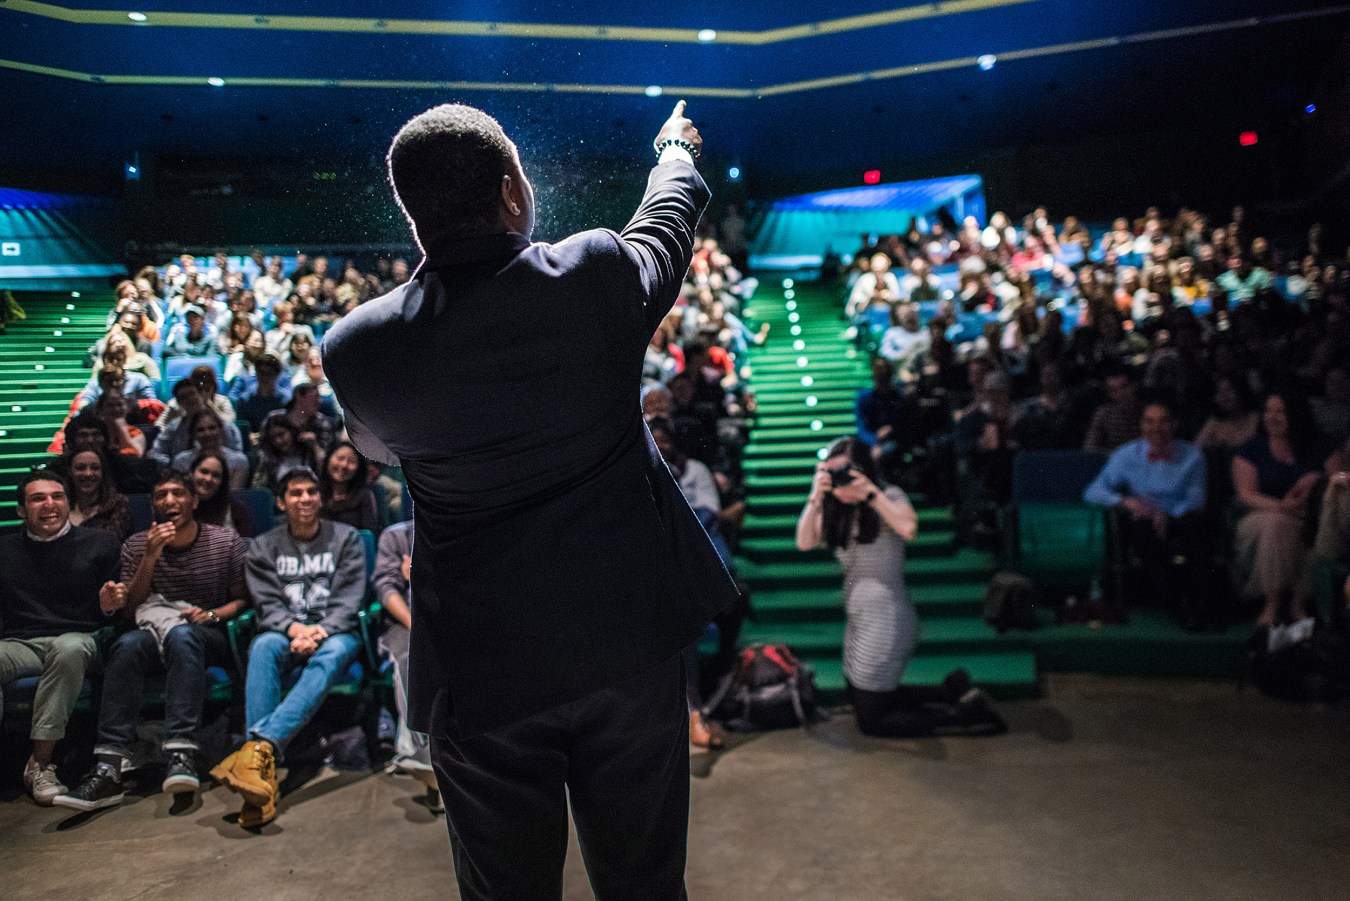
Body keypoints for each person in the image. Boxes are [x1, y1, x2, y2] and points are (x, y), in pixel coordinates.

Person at [321, 101, 737, 899]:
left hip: (480, 674)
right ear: (512, 189)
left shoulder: (359, 346)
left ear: (414, 218)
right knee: (644, 883)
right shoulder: (590, 274)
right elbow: (667, 222)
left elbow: (377, 450)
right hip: (626, 648)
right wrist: (675, 150)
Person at [53, 472, 250, 812]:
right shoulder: (136, 544)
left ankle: (181, 753)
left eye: (177, 493)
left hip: (204, 632)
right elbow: (131, 608)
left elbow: (243, 599)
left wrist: (215, 614)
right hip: (151, 629)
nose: (170, 501)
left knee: (183, 635)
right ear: (153, 504)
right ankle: (108, 766)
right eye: (161, 495)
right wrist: (150, 555)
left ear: (193, 501)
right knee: (127, 645)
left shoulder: (225, 541)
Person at [794, 438, 1004, 738]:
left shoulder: (887, 495)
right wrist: (816, 496)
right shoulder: (835, 509)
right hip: (860, 620)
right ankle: (945, 692)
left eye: (847, 470)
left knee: (872, 721)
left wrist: (870, 494)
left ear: (864, 469)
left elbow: (908, 528)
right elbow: (804, 542)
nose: (842, 479)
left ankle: (963, 715)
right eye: (834, 471)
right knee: (864, 699)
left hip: (886, 619)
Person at [210, 467, 365, 827]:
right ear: (281, 502)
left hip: (334, 632)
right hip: (285, 630)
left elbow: (349, 599)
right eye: (296, 493)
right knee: (263, 645)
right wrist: (296, 628)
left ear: (321, 498)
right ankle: (264, 771)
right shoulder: (263, 546)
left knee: (335, 653)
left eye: (312, 491)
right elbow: (266, 603)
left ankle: (257, 753)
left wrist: (319, 631)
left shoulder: (347, 539)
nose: (305, 499)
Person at [0, 471, 124, 805]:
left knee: (67, 648)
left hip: (82, 639)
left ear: (69, 503)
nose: (49, 505)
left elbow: (117, 611)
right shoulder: (5, 549)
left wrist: (109, 607)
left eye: (57, 497)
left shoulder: (101, 542)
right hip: (21, 644)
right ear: (21, 511)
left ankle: (40, 764)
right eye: (38, 498)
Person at [1084, 402, 1213, 628]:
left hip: (1180, 516)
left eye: (1163, 421)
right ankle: (1176, 603)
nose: (1156, 428)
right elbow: (1093, 491)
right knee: (1141, 529)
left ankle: (1201, 601)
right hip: (1143, 518)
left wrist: (1166, 514)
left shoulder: (1193, 456)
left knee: (1197, 524)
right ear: (1142, 425)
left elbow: (1196, 500)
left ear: (1174, 425)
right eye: (1149, 421)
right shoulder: (1126, 454)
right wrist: (1126, 501)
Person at [1232, 392, 1338, 626]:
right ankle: (1274, 603)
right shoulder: (1251, 449)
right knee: (1277, 525)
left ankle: (1297, 603)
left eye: (1279, 411)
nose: (1272, 417)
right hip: (1261, 515)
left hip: (1309, 517)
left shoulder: (1320, 446)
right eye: (1268, 411)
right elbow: (1246, 494)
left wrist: (1316, 478)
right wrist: (1282, 506)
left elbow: (1338, 483)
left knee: (1309, 530)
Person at [373, 519, 441, 811]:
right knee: (411, 661)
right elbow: (386, 588)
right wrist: (418, 625)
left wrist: (419, 574)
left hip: (451, 622)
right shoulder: (396, 536)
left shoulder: (459, 526)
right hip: (407, 624)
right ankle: (425, 757)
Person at [171, 409, 251, 490]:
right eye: (200, 430)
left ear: (221, 429)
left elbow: (233, 495)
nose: (207, 434)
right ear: (193, 434)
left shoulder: (239, 461)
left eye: (212, 428)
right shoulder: (181, 461)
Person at [65, 448, 132, 541]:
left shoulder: (117, 503)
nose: (88, 474)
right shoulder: (61, 503)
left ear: (102, 472)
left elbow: (110, 541)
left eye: (95, 468)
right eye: (80, 468)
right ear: (70, 471)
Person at [186, 449, 257, 536]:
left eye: (216, 475)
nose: (208, 479)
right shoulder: (178, 507)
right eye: (204, 472)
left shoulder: (237, 510)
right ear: (192, 473)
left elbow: (247, 545)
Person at [319, 440, 379, 532]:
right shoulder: (314, 492)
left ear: (359, 468)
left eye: (351, 461)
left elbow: (369, 533)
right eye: (340, 458)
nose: (344, 465)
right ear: (328, 459)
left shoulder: (364, 495)